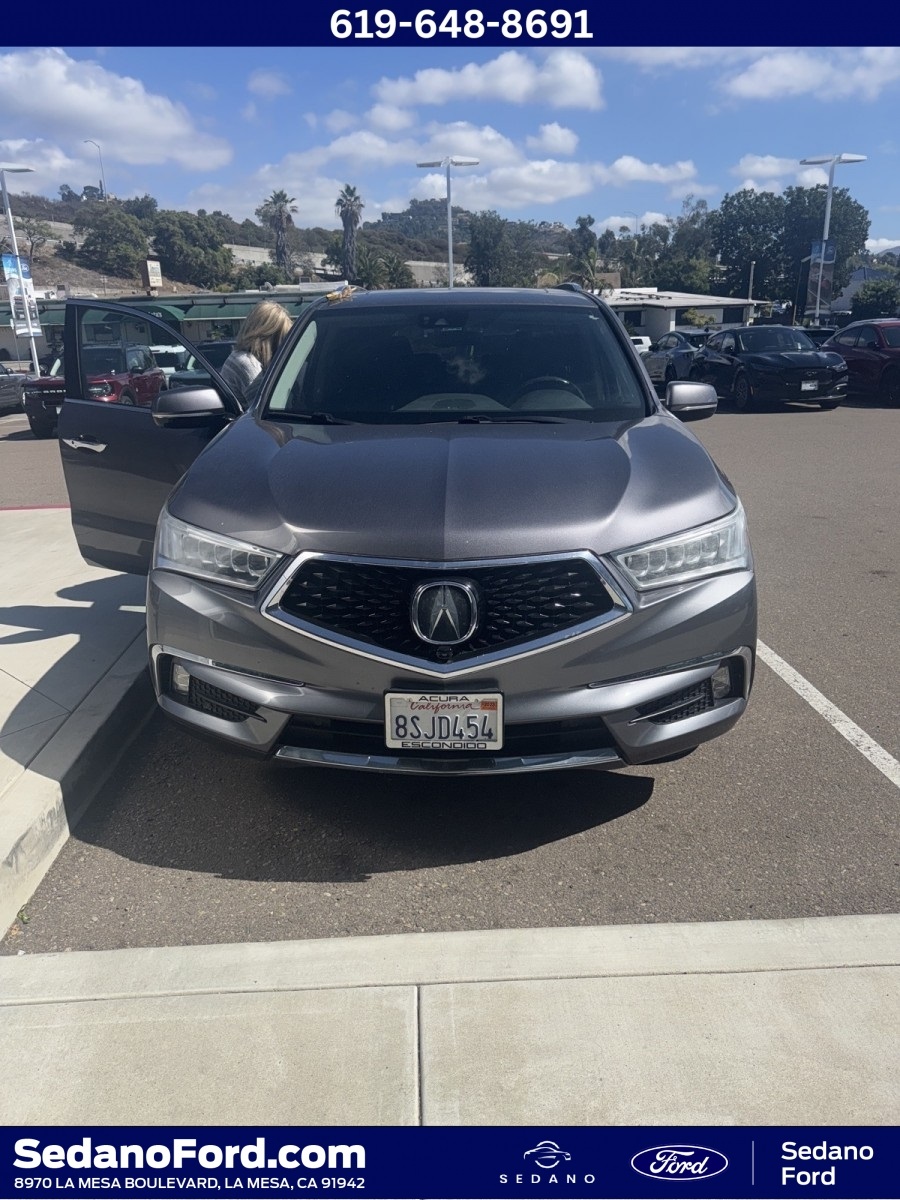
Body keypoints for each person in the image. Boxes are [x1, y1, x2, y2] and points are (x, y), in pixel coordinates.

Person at [219, 300, 293, 406]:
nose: (284, 346)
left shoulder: (239, 358)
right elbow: (262, 408)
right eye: (283, 338)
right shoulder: (246, 363)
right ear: (269, 337)